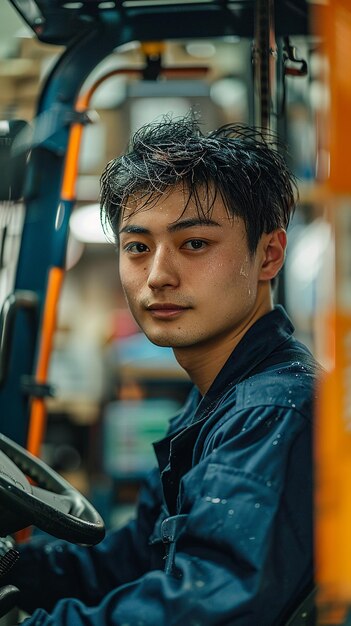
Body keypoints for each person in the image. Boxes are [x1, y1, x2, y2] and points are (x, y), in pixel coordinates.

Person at [7, 115, 318, 625]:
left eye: (194, 244)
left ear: (269, 255)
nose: (158, 276)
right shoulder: (213, 401)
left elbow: (203, 608)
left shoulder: (272, 413)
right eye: (138, 247)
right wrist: (13, 566)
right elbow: (131, 561)